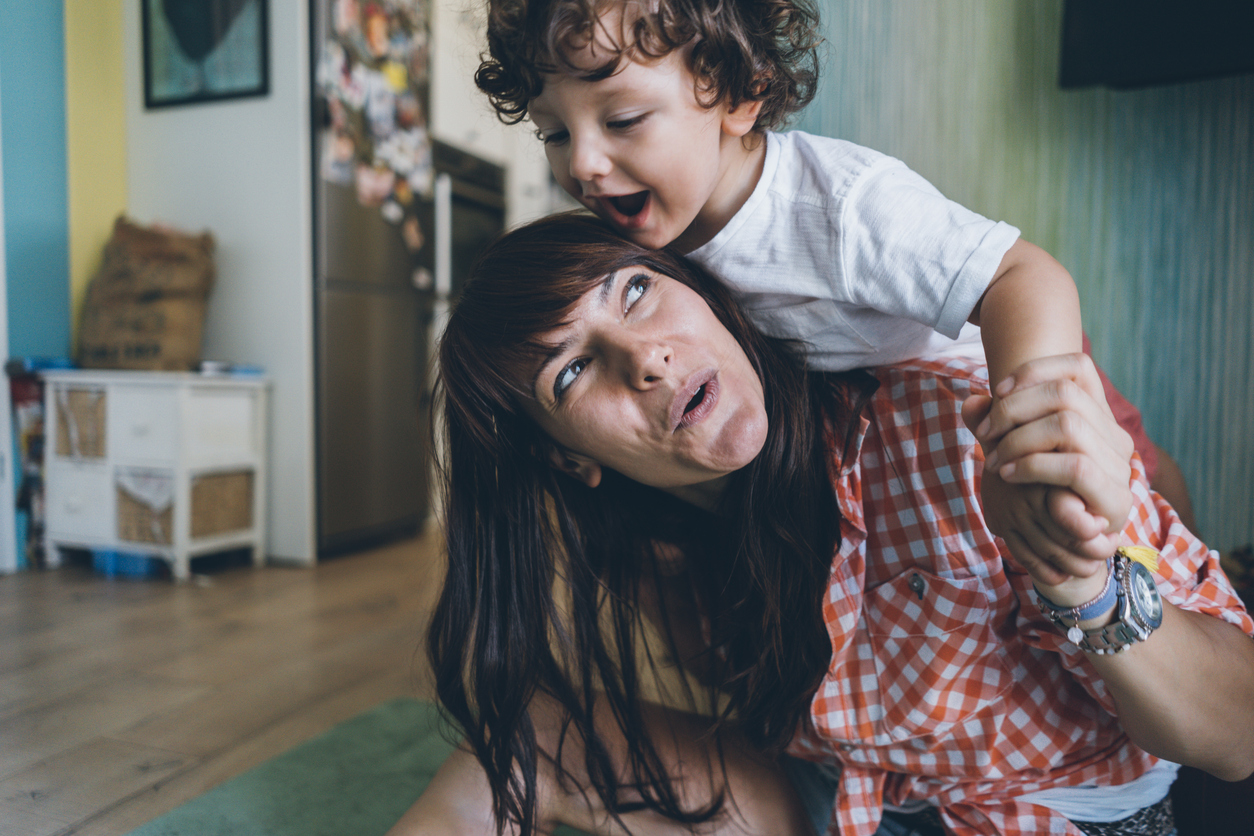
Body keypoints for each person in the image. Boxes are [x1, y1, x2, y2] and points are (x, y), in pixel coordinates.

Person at [389, 214, 1254, 836]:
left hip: (1046, 817)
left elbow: (1240, 732)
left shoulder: (951, 429)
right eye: (573, 372)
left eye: (638, 291)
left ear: (706, 296)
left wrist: (1085, 583)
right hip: (855, 801)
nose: (645, 358)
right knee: (526, 739)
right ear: (567, 460)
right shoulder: (664, 561)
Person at [472, 0, 1199, 572]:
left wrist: (1027, 442)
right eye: (555, 134)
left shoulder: (840, 206)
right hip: (893, 443)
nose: (586, 165)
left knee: (1138, 505)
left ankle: (1210, 579)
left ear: (740, 95)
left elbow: (1023, 275)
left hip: (1005, 382)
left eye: (622, 120)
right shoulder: (645, 241)